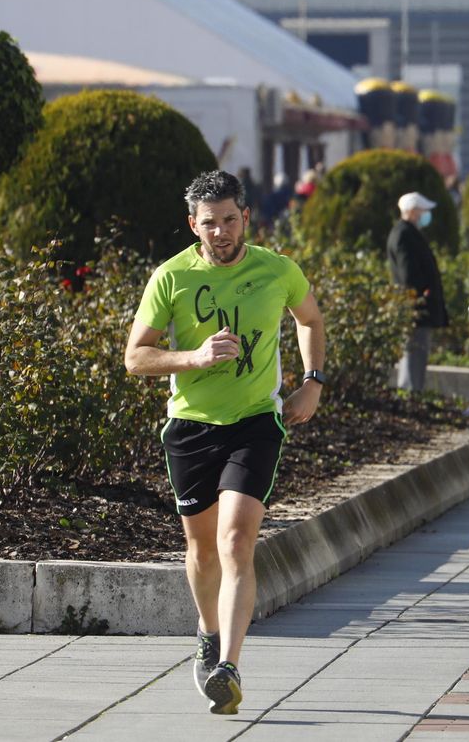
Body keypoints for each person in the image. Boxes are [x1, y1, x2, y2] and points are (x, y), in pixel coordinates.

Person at [122, 169, 327, 716]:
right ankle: (208, 633)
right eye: (209, 223)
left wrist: (312, 381)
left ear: (246, 217)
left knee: (237, 542)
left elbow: (309, 319)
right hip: (190, 427)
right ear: (193, 224)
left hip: (255, 421)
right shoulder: (171, 278)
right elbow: (135, 357)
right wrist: (192, 358)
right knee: (202, 547)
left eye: (230, 220)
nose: (220, 232)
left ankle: (228, 667)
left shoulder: (276, 269)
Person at [386, 191, 448, 392]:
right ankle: (411, 392)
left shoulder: (405, 232)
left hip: (415, 305)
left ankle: (411, 391)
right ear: (412, 211)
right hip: (416, 307)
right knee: (414, 351)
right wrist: (421, 295)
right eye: (423, 211)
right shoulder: (405, 234)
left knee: (415, 351)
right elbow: (409, 273)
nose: (425, 215)